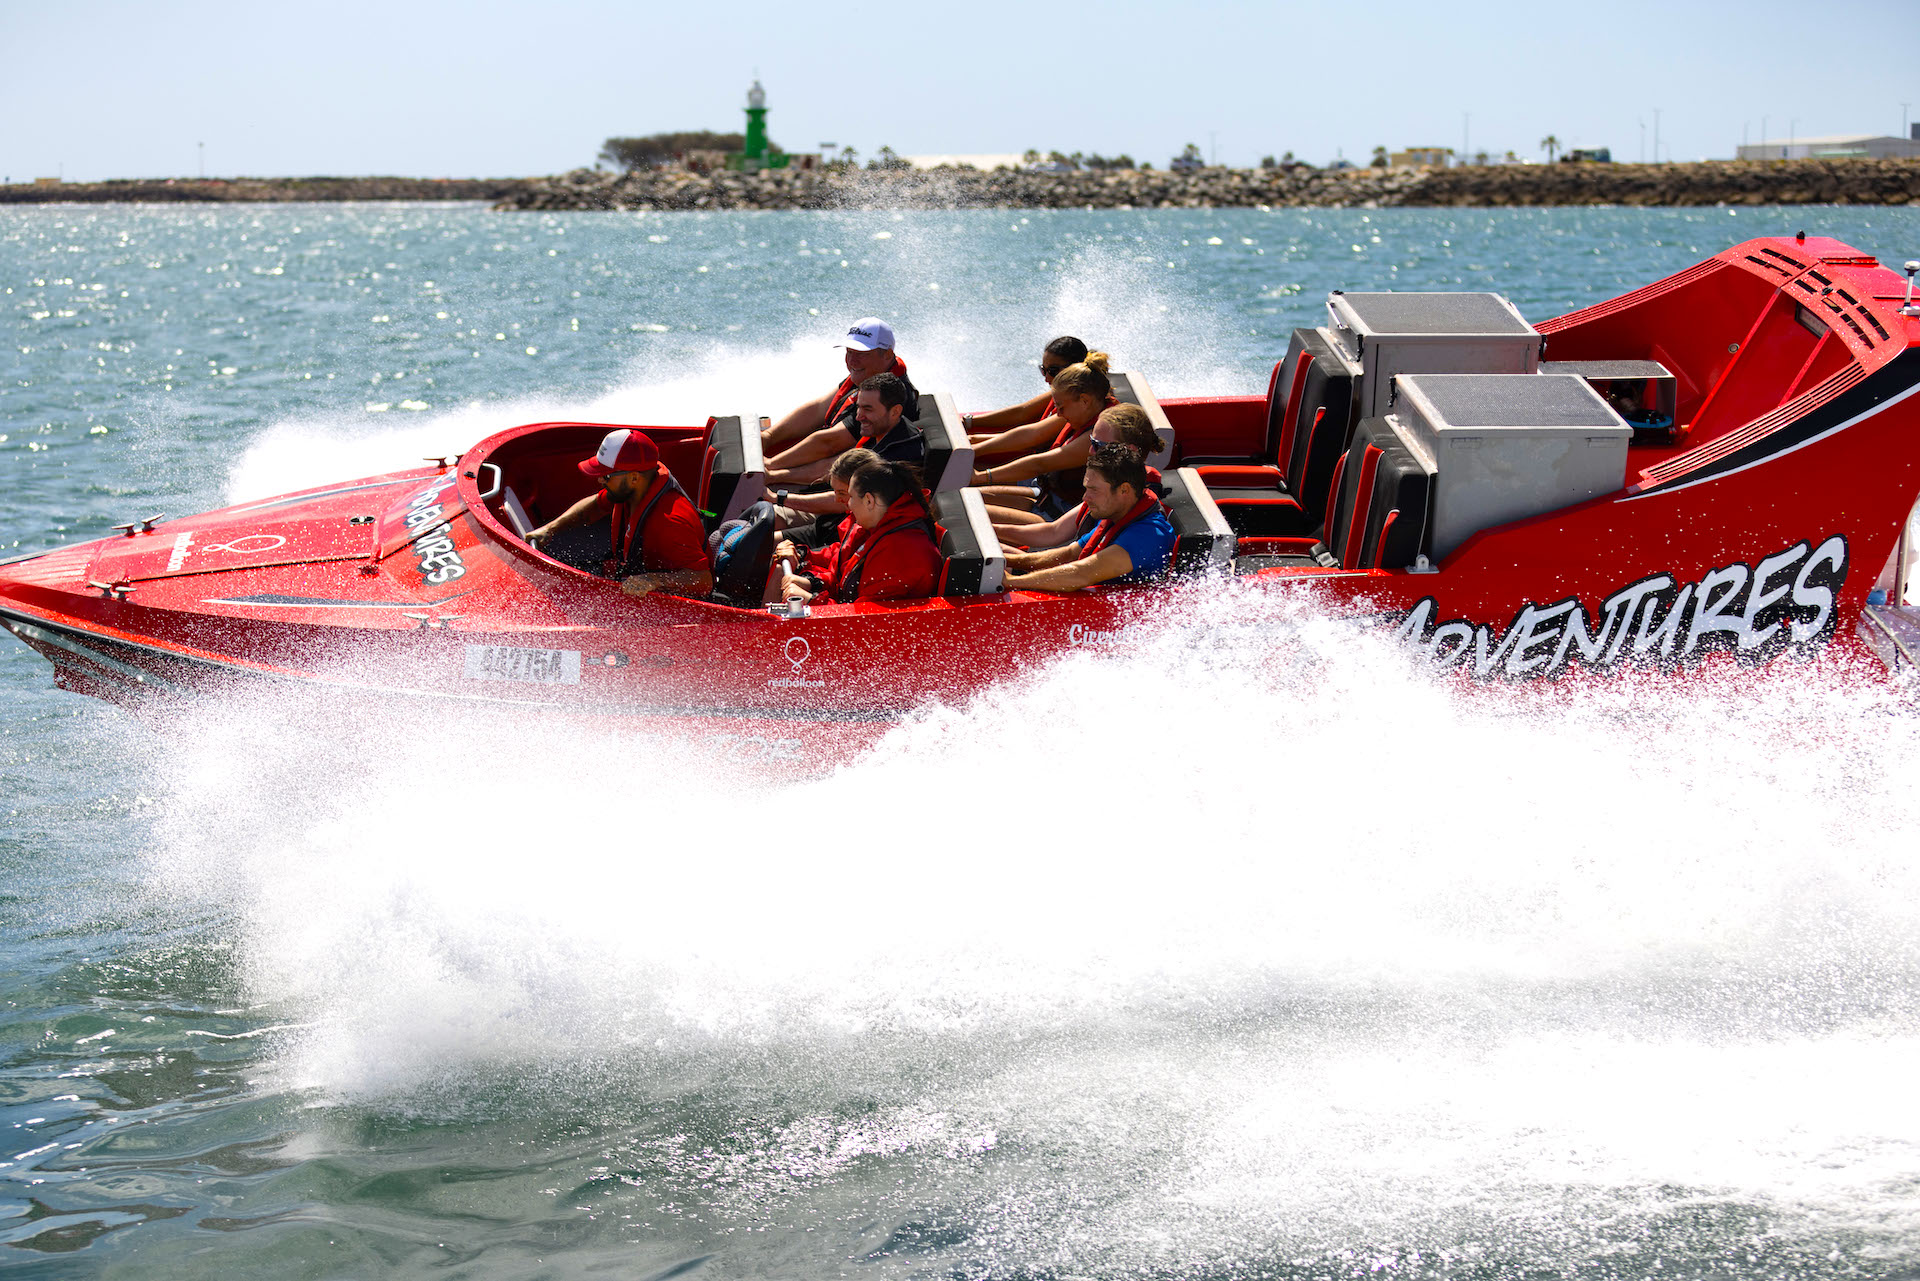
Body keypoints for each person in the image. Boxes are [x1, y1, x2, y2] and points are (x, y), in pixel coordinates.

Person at [526, 429, 713, 598]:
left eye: (607, 476)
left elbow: (704, 581)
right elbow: (595, 507)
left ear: (633, 477)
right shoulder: (633, 490)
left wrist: (655, 581)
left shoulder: (670, 522)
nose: (600, 479)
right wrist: (550, 529)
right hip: (629, 575)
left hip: (671, 603)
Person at [1003, 443, 1175, 592]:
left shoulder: (1148, 536)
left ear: (1124, 490)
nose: (1085, 498)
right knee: (1003, 553)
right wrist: (1006, 561)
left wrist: (1012, 582)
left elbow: (1080, 574)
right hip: (1085, 590)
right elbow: (1070, 553)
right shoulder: (1116, 513)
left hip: (1114, 616)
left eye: (1094, 490)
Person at [993, 404, 1166, 548]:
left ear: (1128, 451)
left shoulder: (1125, 497)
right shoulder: (1108, 483)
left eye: (1098, 445)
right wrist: (991, 530)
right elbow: (1054, 532)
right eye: (1091, 442)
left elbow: (1073, 558)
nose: (1090, 451)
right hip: (1062, 551)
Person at [777, 460, 942, 604]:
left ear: (869, 500)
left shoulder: (900, 553)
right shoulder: (884, 528)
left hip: (872, 632)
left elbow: (863, 622)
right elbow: (845, 568)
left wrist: (810, 600)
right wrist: (812, 576)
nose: (848, 505)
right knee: (779, 570)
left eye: (851, 497)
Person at [971, 354, 1116, 517]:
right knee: (970, 495)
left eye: (1061, 408)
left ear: (1084, 400)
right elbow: (1032, 434)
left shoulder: (1099, 435)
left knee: (970, 507)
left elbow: (1040, 464)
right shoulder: (1084, 410)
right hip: (1044, 493)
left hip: (1058, 516)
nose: (1059, 414)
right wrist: (973, 448)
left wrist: (981, 477)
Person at [760, 317, 917, 455]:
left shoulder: (887, 395)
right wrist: (769, 436)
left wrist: (772, 467)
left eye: (862, 354)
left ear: (888, 354)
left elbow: (831, 443)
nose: (852, 361)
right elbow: (818, 409)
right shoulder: (867, 374)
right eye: (849, 352)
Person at [767, 372, 924, 487]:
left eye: (867, 409)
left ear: (895, 411)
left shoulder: (892, 457)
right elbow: (835, 465)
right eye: (858, 408)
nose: (858, 417)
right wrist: (768, 438)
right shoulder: (878, 427)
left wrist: (775, 479)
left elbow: (828, 443)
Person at [772, 447, 879, 579]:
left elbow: (849, 584)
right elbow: (839, 555)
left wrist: (813, 589)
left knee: (780, 571)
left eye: (843, 493)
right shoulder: (854, 520)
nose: (836, 500)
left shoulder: (887, 537)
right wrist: (802, 554)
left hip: (836, 595)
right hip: (824, 553)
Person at [959, 336, 1089, 438]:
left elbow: (1035, 435)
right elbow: (1022, 412)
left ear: (1075, 368)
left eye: (1053, 371)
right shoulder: (1061, 392)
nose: (1046, 378)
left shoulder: (1079, 404)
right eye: (1043, 370)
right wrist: (969, 422)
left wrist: (973, 442)